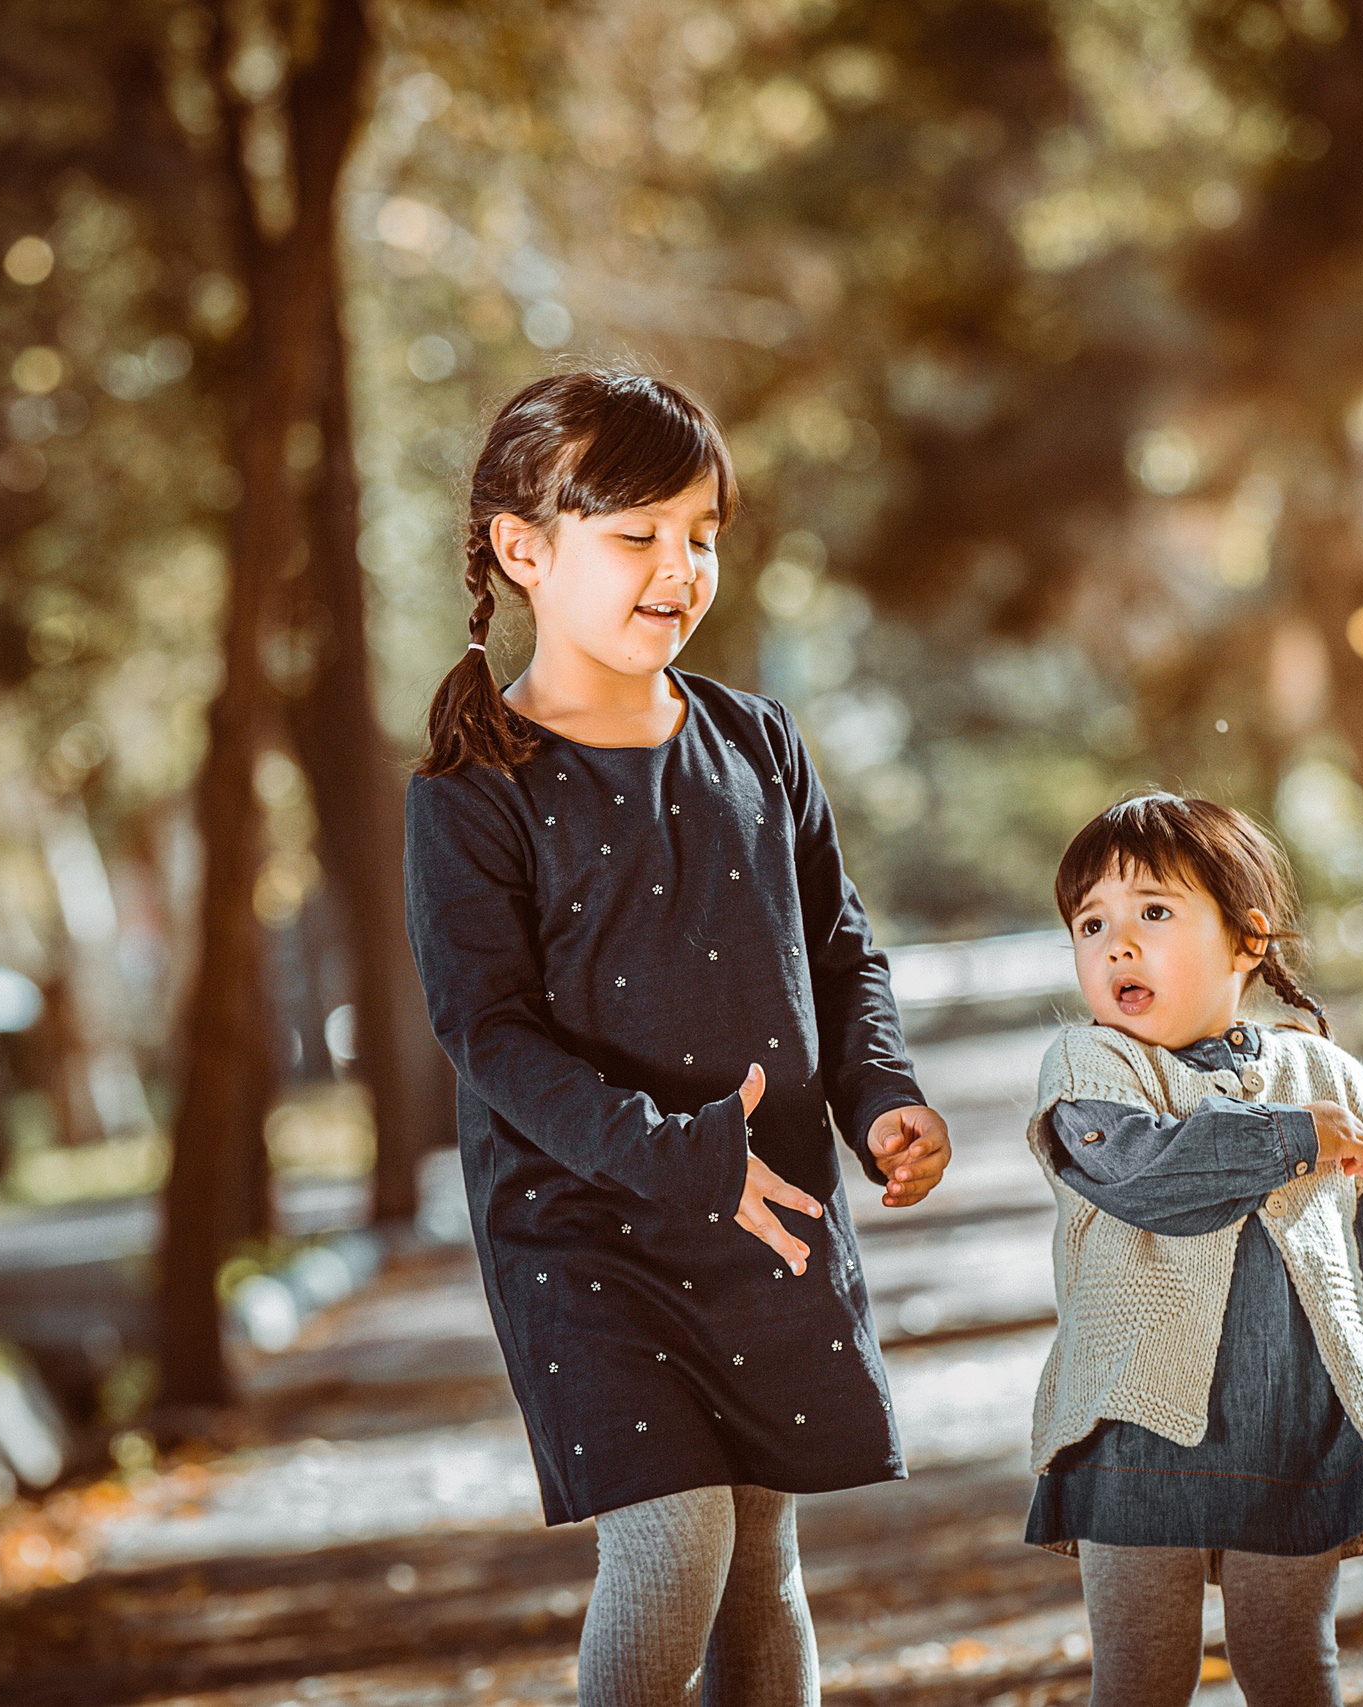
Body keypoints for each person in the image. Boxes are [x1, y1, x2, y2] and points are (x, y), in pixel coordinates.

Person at [400, 366, 952, 1705]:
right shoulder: (475, 792)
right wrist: (663, 1150)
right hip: (582, 1226)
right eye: (636, 533)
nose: (680, 565)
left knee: (760, 1545)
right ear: (524, 549)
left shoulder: (759, 740)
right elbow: (492, 1032)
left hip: (768, 1202)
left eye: (700, 531)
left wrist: (881, 1090)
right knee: (675, 1532)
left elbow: (839, 946)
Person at [1022, 792, 1363, 1707]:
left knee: (1294, 1668)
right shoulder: (1089, 1072)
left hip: (1295, 1427)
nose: (1117, 943)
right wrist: (1289, 1139)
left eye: (1154, 911)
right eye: (1091, 922)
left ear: (1247, 939)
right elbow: (1151, 1180)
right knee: (1140, 1680)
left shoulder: (1329, 1080)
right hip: (1131, 1434)